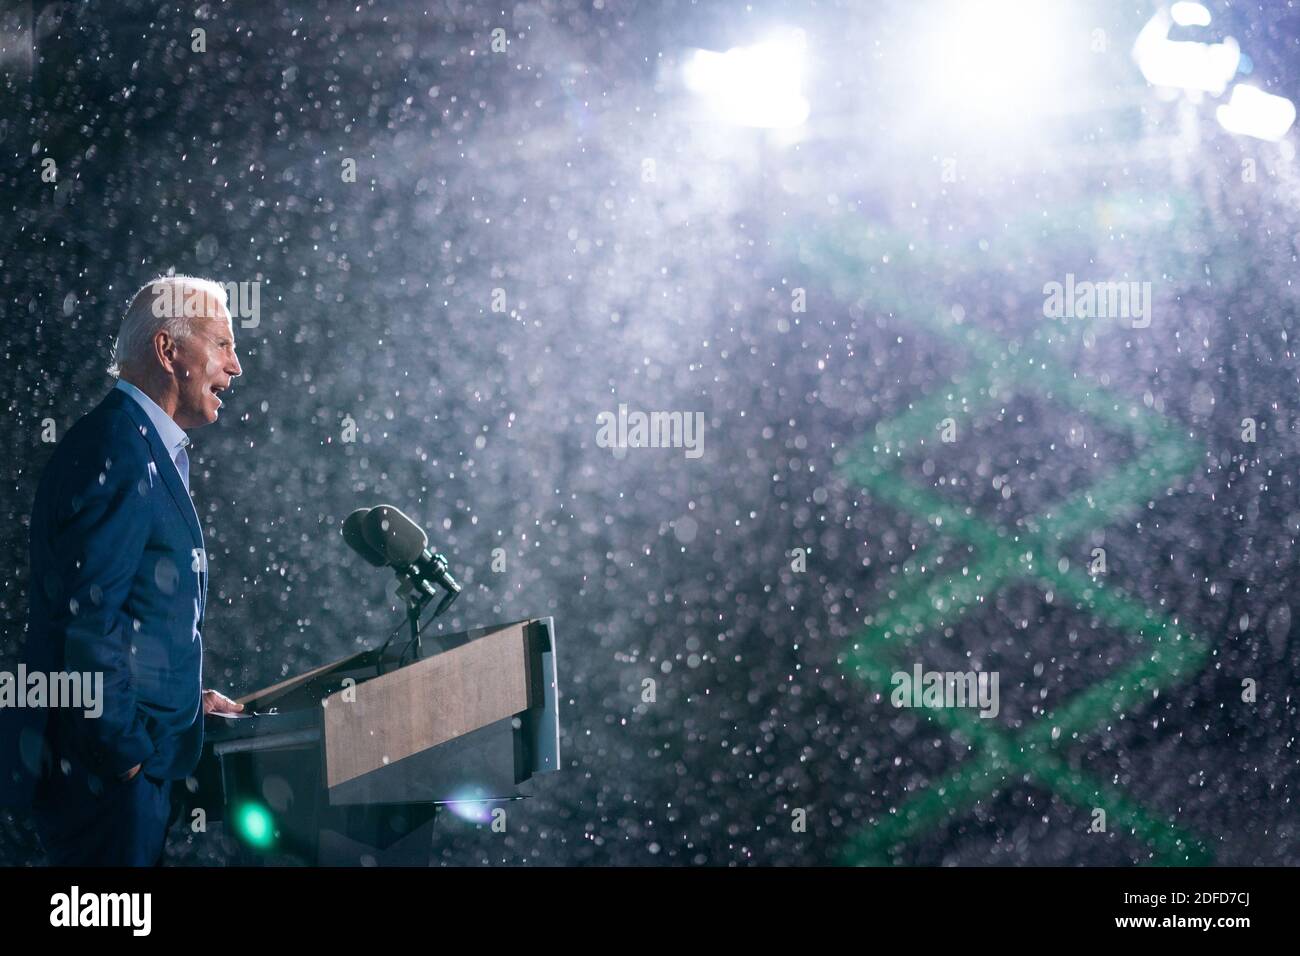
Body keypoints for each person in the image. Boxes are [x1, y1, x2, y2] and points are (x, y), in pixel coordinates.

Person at [12, 274, 245, 865]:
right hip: (105, 782)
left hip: (113, 776)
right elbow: (88, 622)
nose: (234, 366)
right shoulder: (116, 448)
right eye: (221, 344)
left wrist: (185, 702)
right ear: (168, 351)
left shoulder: (135, 443)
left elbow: (135, 612)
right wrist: (124, 752)